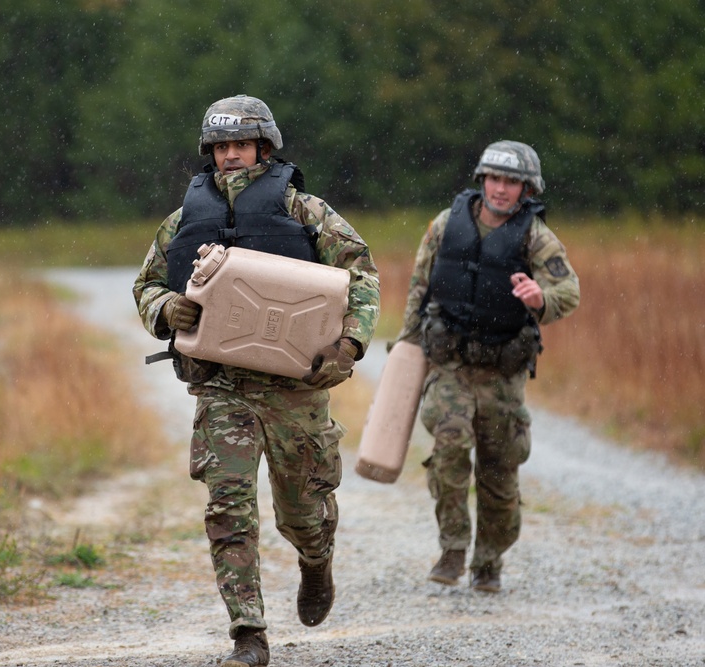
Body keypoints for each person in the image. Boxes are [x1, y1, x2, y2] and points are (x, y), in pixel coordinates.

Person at [133, 94, 379, 667]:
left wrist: (350, 344)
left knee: (303, 513)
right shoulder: (182, 221)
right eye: (220, 147)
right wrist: (168, 309)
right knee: (229, 509)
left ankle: (316, 562)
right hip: (223, 389)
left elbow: (360, 274)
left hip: (295, 389)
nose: (230, 156)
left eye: (240, 145)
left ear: (264, 148)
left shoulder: (305, 212)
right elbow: (145, 285)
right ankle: (248, 634)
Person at [393, 140, 580, 593]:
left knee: (499, 472)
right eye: (494, 179)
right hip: (451, 364)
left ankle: (489, 560)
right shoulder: (444, 224)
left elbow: (569, 290)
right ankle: (453, 548)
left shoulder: (536, 236)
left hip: (502, 372)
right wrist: (407, 344)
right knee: (450, 451)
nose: (500, 189)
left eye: (511, 182)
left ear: (526, 189)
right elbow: (420, 285)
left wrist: (541, 299)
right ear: (482, 180)